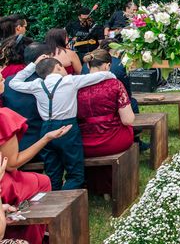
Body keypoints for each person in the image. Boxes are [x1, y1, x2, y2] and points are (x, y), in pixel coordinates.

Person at [9, 57, 116, 190]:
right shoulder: (70, 81)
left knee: (52, 173)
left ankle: (52, 202)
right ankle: (67, 202)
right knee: (75, 173)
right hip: (68, 128)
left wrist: (33, 65)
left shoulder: (37, 85)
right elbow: (101, 75)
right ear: (58, 67)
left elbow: (13, 83)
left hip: (46, 129)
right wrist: (112, 75)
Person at [0, 73, 72, 243]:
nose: (3, 78)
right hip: (3, 181)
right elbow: (12, 164)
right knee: (42, 182)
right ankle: (30, 236)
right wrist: (46, 138)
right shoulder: (3, 117)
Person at [77, 50, 134, 159]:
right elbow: (128, 120)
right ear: (108, 66)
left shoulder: (77, 86)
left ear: (88, 65)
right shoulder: (115, 84)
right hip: (113, 141)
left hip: (84, 143)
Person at [2, 43, 49, 159]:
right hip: (42, 144)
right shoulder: (46, 82)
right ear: (44, 58)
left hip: (14, 143)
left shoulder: (8, 81)